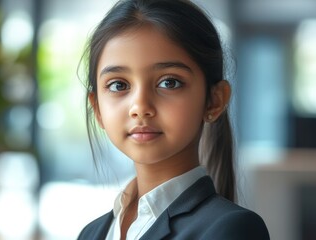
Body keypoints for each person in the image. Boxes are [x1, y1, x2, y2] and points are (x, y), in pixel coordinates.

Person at [78, 0, 270, 239]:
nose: (140, 107)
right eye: (119, 85)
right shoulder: (92, 233)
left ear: (214, 100)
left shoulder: (232, 229)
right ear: (97, 108)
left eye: (169, 82)